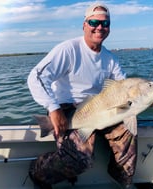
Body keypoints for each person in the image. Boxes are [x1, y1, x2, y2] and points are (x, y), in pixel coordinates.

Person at [27, 2, 137, 189]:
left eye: (105, 23)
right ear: (84, 25)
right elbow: (36, 77)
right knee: (80, 159)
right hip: (67, 109)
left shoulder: (111, 59)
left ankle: (121, 179)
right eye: (94, 22)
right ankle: (38, 170)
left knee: (130, 129)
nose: (99, 27)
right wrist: (53, 109)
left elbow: (123, 88)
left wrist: (141, 101)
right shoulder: (68, 50)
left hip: (99, 107)